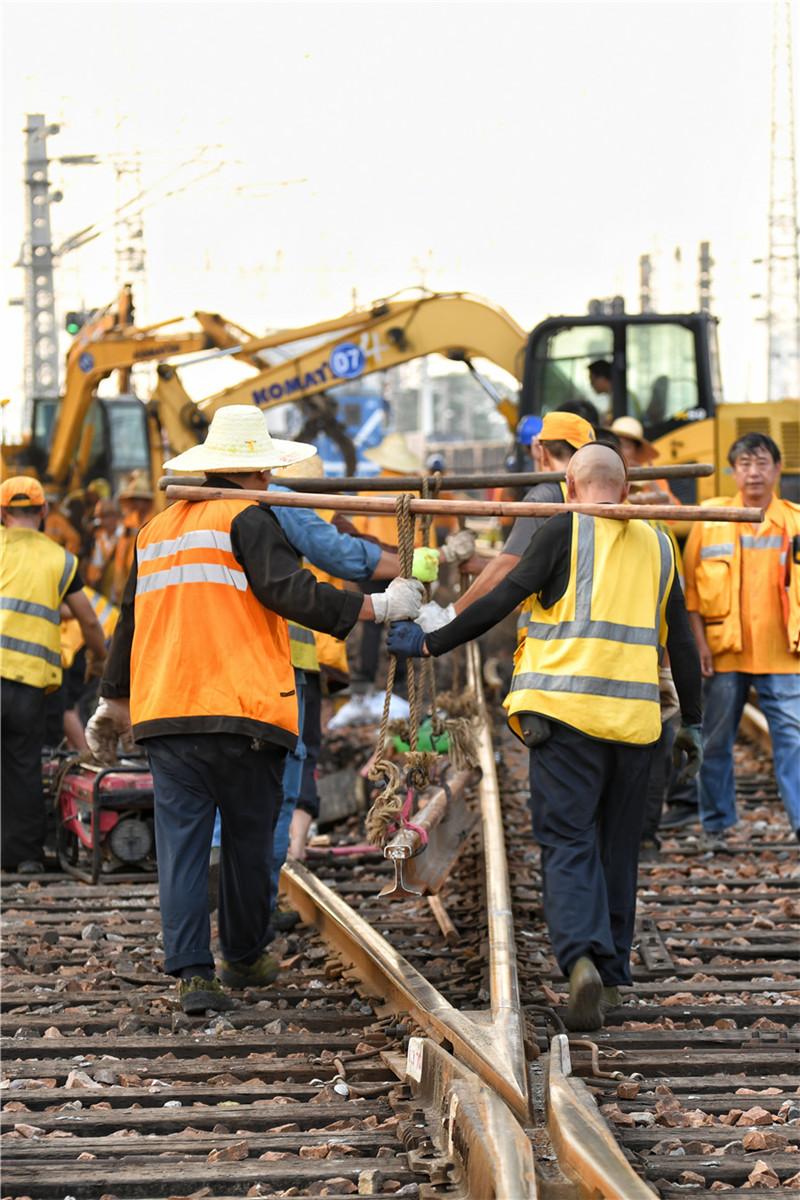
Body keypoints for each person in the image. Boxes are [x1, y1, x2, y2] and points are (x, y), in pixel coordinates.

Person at [88, 407, 424, 1014]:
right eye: (265, 468)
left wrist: (115, 701)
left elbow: (130, 623)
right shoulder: (250, 517)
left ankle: (193, 975)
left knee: (184, 846)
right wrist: (377, 607)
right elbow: (288, 591)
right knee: (247, 843)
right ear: (249, 469)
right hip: (244, 710)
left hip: (167, 714)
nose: (270, 478)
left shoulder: (155, 531)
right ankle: (242, 957)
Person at [388, 444, 703, 1031]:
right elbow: (680, 641)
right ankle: (611, 977)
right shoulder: (660, 544)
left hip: (563, 720)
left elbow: (507, 596)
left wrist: (433, 643)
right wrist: (697, 722)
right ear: (626, 487)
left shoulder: (564, 530)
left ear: (569, 485)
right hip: (637, 726)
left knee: (568, 840)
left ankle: (581, 956)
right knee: (617, 847)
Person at [683, 432, 800, 843]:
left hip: (784, 657)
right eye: (745, 464)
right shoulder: (710, 521)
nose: (754, 472)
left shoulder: (795, 521)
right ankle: (717, 826)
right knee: (714, 743)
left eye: (762, 463)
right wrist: (698, 644)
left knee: (794, 743)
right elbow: (692, 596)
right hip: (724, 654)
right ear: (733, 472)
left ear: (777, 469)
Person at [1, 476, 108, 872]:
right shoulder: (60, 560)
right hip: (29, 686)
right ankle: (24, 857)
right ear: (44, 512)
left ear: (2, 513)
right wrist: (100, 659)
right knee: (22, 765)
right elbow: (90, 622)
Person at [417, 411, 596, 633]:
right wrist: (484, 566)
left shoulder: (544, 497)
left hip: (555, 640)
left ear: (540, 449)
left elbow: (509, 567)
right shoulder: (604, 497)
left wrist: (451, 615)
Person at [111, 471, 154, 603]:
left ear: (147, 501)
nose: (134, 503)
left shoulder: (157, 520)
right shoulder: (129, 522)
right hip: (132, 576)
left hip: (152, 575)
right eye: (133, 499)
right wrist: (118, 582)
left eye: (137, 499)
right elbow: (121, 552)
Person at [86, 498, 122, 596]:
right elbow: (96, 564)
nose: (102, 521)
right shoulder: (99, 537)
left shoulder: (126, 535)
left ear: (115, 516)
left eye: (105, 517)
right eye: (100, 517)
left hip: (124, 589)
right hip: (108, 592)